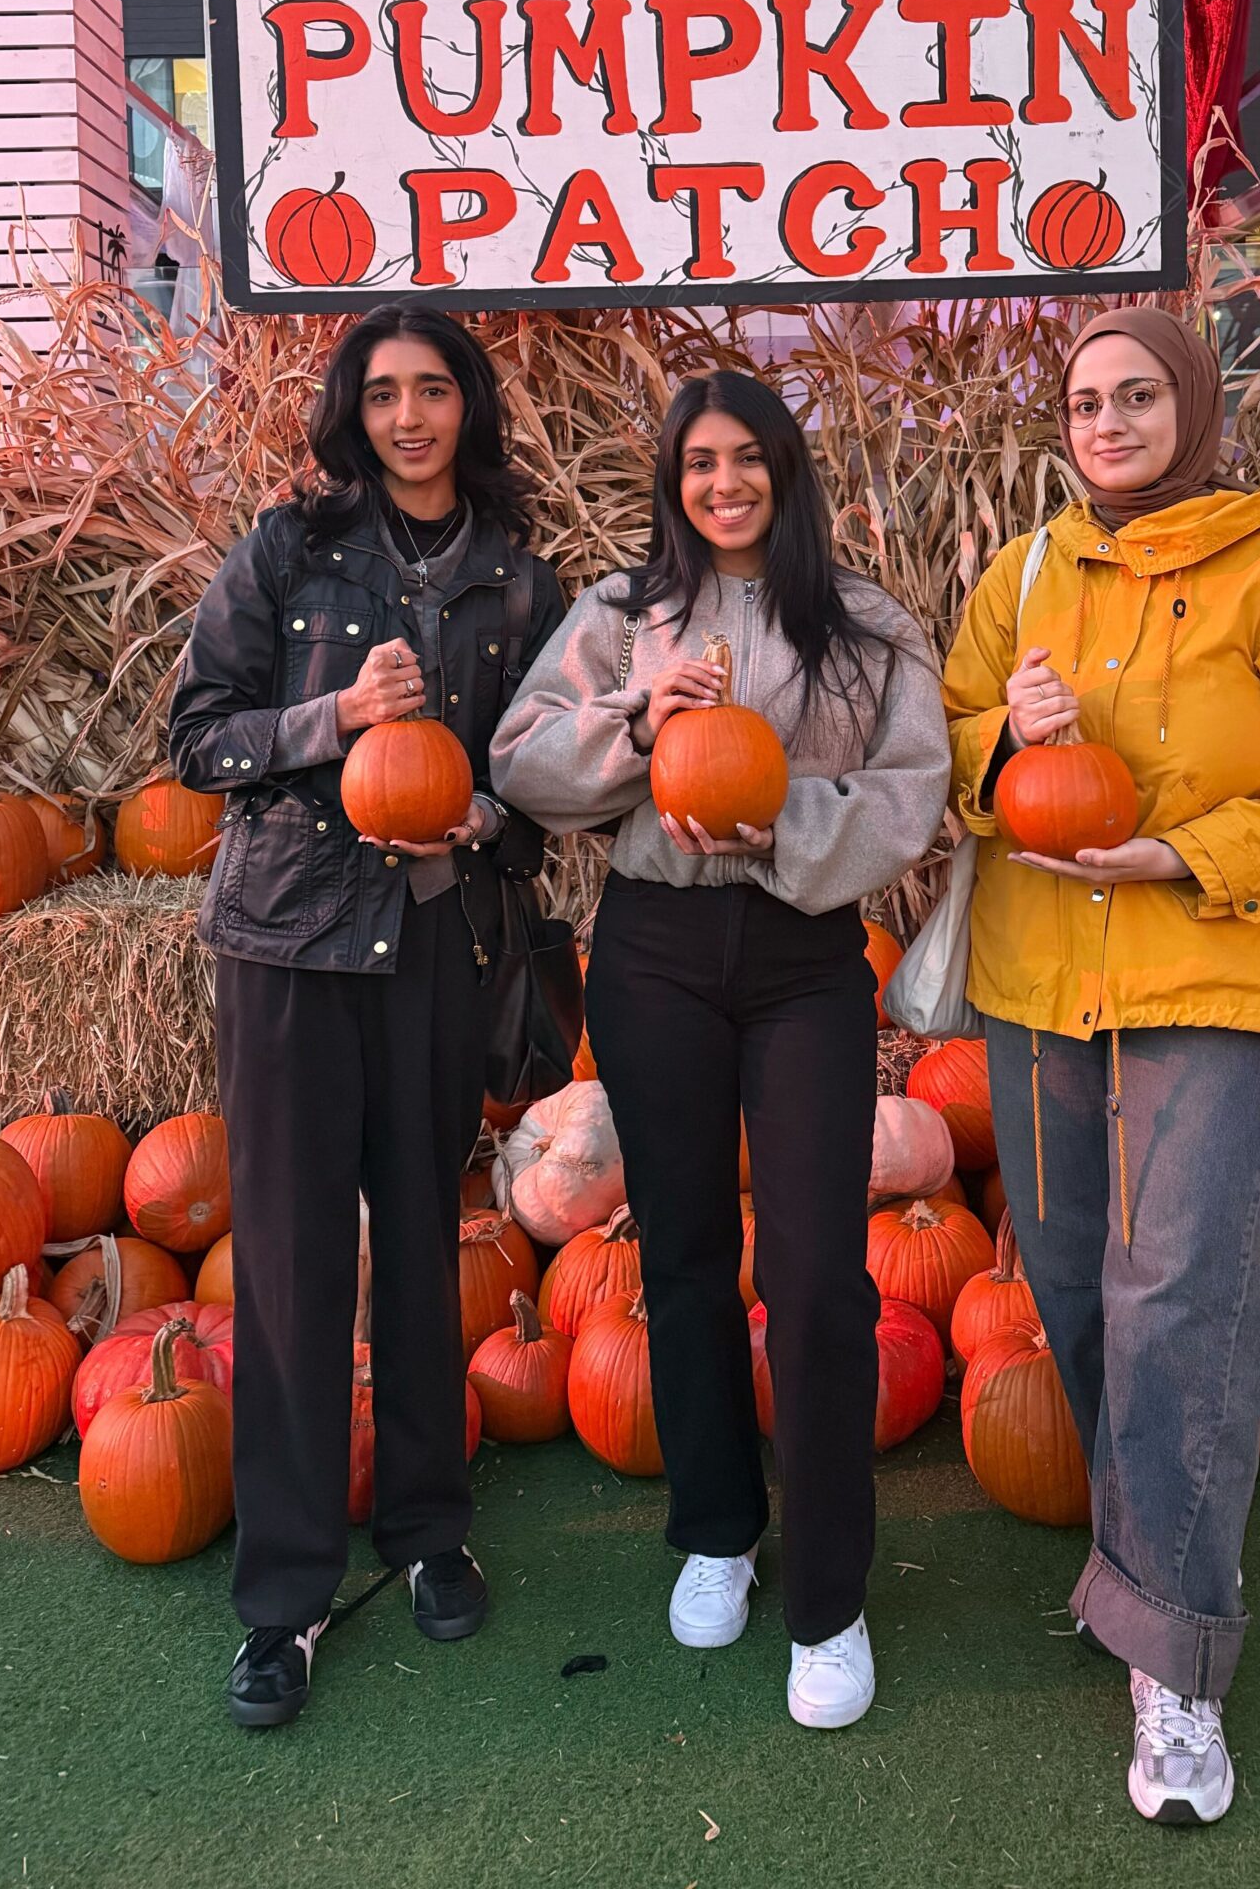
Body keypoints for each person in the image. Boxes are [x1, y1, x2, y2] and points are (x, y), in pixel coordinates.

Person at [942, 308, 1260, 1826]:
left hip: (1214, 974)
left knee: (1183, 1298)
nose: (1109, 421)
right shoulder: (1024, 575)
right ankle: (1138, 1574)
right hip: (1040, 987)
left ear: (1190, 407)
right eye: (1085, 401)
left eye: (1138, 396)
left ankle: (1180, 1664)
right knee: (1072, 1286)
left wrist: (1181, 851)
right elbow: (951, 754)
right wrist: (1006, 737)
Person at [490, 371, 949, 1730]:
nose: (725, 484)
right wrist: (639, 717)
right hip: (655, 953)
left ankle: (830, 1597)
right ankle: (716, 1529)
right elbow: (522, 758)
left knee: (816, 1275)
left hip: (805, 954)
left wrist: (783, 826)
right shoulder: (622, 617)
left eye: (749, 460)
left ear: (785, 473)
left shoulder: (862, 624)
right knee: (680, 1250)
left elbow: (912, 790)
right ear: (673, 482)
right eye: (700, 463)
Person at [169, 300, 564, 1728]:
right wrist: (332, 718)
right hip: (285, 947)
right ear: (354, 409)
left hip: (434, 951)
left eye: (434, 390)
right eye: (384, 392)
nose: (409, 416)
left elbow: (549, 791)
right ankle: (282, 1593)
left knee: (423, 1238)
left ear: (469, 407)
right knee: (284, 1268)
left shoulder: (521, 584)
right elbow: (196, 735)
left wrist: (474, 823)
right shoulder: (288, 553)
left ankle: (426, 1529)